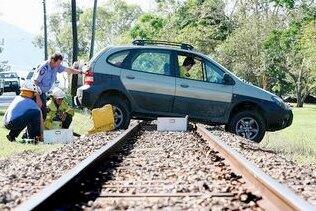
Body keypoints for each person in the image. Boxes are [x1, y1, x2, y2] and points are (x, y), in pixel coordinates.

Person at [32, 53, 82, 119]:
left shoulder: (56, 66)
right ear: (52, 60)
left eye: (60, 63)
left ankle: (40, 128)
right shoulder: (43, 68)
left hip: (42, 93)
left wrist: (80, 72)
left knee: (43, 115)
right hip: (36, 93)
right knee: (37, 116)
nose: (59, 65)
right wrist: (38, 98)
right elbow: (35, 83)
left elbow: (68, 70)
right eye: (58, 63)